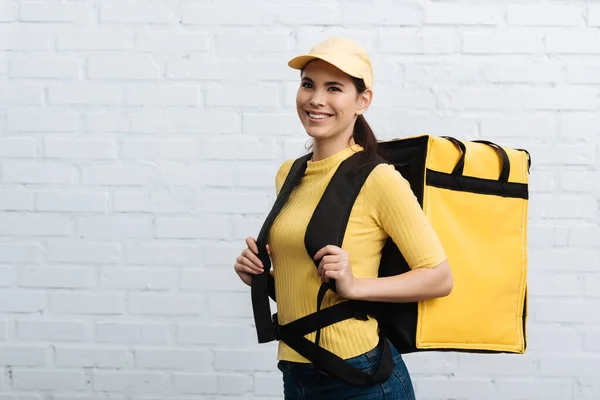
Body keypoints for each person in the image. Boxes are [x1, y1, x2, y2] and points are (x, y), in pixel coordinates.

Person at [233, 37, 453, 400]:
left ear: (362, 101)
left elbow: (439, 278)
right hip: (297, 371)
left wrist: (355, 286)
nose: (316, 99)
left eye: (333, 88)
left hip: (359, 376)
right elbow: (308, 278)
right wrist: (262, 278)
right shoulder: (290, 174)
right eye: (308, 84)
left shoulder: (378, 178)